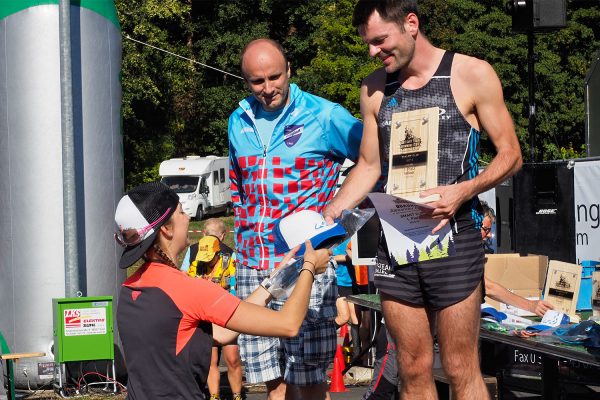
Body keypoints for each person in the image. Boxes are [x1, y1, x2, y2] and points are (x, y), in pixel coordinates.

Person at [323, 1, 523, 399]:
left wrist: (463, 191)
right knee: (412, 370)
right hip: (396, 245)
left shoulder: (471, 73)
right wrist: (327, 216)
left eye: (380, 41)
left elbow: (511, 155)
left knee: (460, 365)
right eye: (367, 44)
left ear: (411, 24)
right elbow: (367, 165)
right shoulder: (374, 87)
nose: (373, 52)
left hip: (454, 238)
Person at [228, 38, 363, 400]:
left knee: (308, 381)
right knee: (272, 382)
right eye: (258, 81)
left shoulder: (324, 115)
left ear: (289, 70)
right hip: (253, 267)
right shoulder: (237, 120)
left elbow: (373, 161)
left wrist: (338, 214)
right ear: (245, 81)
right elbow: (239, 191)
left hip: (306, 265)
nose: (268, 88)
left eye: (275, 77)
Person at [114, 181, 331, 400]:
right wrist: (309, 267)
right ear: (166, 230)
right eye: (181, 212)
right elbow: (289, 324)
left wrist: (278, 278)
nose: (188, 217)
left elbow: (221, 332)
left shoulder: (130, 288)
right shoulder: (188, 290)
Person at [181, 219, 243, 400]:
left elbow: (237, 282)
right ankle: (214, 396)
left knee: (232, 358)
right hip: (203, 314)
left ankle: (237, 395)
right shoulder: (193, 252)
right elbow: (184, 278)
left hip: (226, 312)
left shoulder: (229, 256)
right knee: (210, 359)